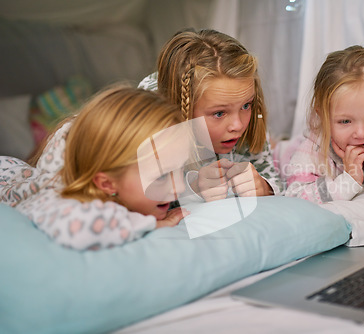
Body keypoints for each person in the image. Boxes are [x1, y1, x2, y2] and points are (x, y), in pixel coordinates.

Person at [0, 86, 191, 250]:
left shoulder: (138, 183)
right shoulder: (66, 203)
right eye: (162, 176)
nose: (179, 187)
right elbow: (77, 227)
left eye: (181, 168)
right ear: (107, 184)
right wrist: (153, 226)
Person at [138, 28, 283, 202]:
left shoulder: (248, 118)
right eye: (219, 113)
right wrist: (192, 190)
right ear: (181, 108)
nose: (237, 125)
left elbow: (274, 179)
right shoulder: (150, 123)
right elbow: (140, 198)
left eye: (246, 105)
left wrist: (264, 187)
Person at [285, 45, 364, 203]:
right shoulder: (313, 150)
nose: (361, 133)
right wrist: (349, 180)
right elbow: (294, 198)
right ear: (323, 117)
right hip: (288, 153)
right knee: (283, 149)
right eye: (345, 121)